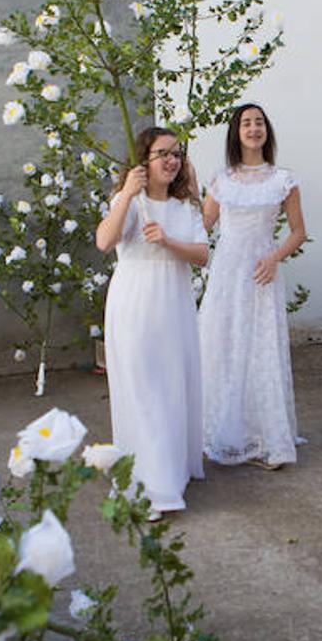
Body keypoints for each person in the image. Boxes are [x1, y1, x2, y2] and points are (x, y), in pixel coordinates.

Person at [95, 127, 208, 514]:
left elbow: (201, 254)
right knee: (143, 390)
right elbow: (104, 241)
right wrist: (126, 193)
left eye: (177, 154)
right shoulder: (129, 202)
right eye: (163, 153)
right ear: (144, 160)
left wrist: (168, 241)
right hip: (135, 304)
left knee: (172, 388)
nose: (172, 160)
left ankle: (171, 470)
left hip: (174, 304)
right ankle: (153, 486)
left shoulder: (186, 207)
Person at [198, 104, 308, 469]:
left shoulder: (283, 179)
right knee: (223, 345)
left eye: (259, 122)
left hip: (263, 271)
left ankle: (264, 437)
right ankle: (223, 432)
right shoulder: (221, 179)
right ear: (236, 132)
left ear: (267, 130)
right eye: (246, 123)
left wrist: (275, 257)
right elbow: (203, 226)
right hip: (227, 272)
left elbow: (298, 232)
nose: (254, 128)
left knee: (261, 349)